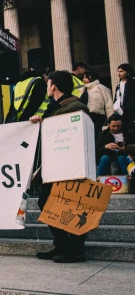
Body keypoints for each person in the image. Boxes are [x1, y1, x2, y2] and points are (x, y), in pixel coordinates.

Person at [30, 70, 90, 263]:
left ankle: (75, 249)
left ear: (53, 86)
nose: (47, 87)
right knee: (45, 202)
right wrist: (39, 122)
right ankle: (62, 245)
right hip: (56, 166)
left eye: (48, 84)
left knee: (71, 206)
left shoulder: (75, 107)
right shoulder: (56, 107)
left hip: (70, 167)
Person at [84, 71, 114, 137]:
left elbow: (108, 104)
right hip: (86, 116)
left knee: (97, 134)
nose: (83, 79)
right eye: (83, 77)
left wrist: (111, 119)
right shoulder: (84, 90)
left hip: (98, 116)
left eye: (86, 77)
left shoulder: (101, 88)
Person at [114, 63, 135, 132]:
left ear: (128, 72)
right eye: (118, 71)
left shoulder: (132, 84)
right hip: (121, 112)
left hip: (131, 111)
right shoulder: (118, 86)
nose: (119, 73)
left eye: (121, 71)